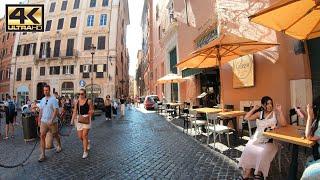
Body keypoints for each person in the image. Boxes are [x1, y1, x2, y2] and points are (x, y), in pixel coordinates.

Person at [238, 96, 287, 179]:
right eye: (267, 104)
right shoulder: (259, 114)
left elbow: (284, 124)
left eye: (271, 103)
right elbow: (246, 118)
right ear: (263, 105)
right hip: (258, 138)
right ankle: (248, 172)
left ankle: (259, 172)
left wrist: (280, 111)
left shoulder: (275, 113)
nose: (270, 105)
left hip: (271, 140)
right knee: (248, 148)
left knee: (262, 152)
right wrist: (254, 109)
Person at [38, 85, 62, 162]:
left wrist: (52, 119)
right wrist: (39, 120)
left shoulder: (53, 99)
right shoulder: (42, 100)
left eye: (47, 90)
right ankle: (43, 154)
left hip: (52, 122)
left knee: (55, 135)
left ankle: (59, 145)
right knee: (42, 136)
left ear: (49, 90)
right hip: (44, 121)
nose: (45, 92)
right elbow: (41, 111)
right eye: (44, 90)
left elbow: (55, 110)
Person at [71, 89, 94, 159]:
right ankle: (87, 142)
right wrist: (72, 120)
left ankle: (85, 151)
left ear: (85, 94)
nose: (80, 95)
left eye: (82, 94)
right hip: (79, 119)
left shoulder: (89, 101)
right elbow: (75, 111)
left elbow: (92, 110)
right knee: (80, 136)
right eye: (79, 94)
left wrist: (90, 114)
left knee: (84, 135)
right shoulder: (77, 101)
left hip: (86, 119)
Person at [301, 103, 320, 179]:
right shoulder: (317, 121)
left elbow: (308, 136)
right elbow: (312, 124)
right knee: (309, 159)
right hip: (317, 154)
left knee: (307, 173)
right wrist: (306, 114)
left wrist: (309, 116)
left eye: (311, 108)